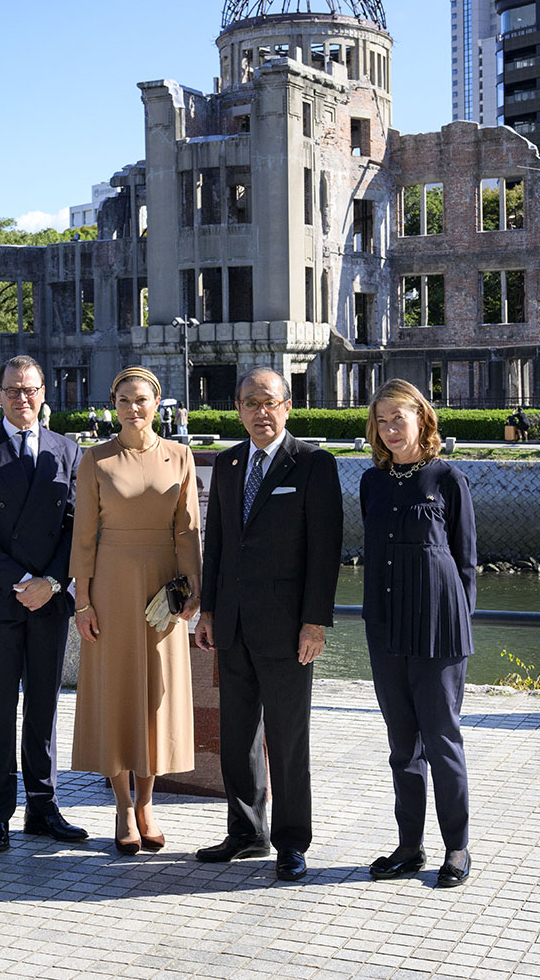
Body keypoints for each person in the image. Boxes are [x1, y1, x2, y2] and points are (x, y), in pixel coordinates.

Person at [195, 367, 342, 882]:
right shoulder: (230, 463)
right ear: (237, 409)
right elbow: (216, 543)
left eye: (269, 402)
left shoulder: (313, 464)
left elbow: (325, 553)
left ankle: (291, 842)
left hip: (286, 629)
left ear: (286, 406)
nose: (260, 412)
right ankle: (246, 831)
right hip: (232, 624)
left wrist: (314, 624)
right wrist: (208, 610)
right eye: (250, 403)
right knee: (237, 737)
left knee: (286, 739)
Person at [0, 355, 86, 853]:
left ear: (44, 392)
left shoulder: (68, 451)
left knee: (45, 708)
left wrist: (51, 580)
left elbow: (78, 527)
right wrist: (23, 580)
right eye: (12, 390)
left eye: (30, 390)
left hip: (51, 599)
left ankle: (43, 807)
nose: (22, 398)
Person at [72, 366, 201, 853]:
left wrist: (193, 592)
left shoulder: (180, 456)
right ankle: (123, 807)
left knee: (156, 697)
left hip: (163, 590)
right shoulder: (96, 460)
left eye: (141, 399)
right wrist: (82, 601)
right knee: (117, 692)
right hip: (111, 585)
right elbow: (83, 538)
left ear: (157, 402)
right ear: (113, 403)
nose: (133, 408)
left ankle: (148, 803)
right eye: (123, 399)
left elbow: (188, 531)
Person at [361, 379, 476, 888]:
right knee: (401, 745)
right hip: (385, 626)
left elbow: (466, 560)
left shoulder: (447, 477)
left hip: (438, 627)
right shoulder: (371, 482)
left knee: (442, 737)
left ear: (421, 419)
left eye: (398, 419)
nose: (389, 429)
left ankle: (457, 846)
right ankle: (409, 847)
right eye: (381, 420)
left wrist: (460, 622)